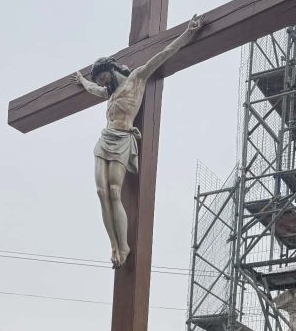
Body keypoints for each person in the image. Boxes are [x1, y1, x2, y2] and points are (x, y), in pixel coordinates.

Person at [75, 15, 202, 268]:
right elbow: (91, 89)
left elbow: (164, 53)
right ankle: (114, 245)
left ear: (110, 70)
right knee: (101, 192)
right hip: (105, 139)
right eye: (99, 81)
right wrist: (82, 81)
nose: (102, 83)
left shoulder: (137, 79)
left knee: (113, 191)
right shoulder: (107, 93)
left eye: (102, 78)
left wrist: (188, 33)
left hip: (123, 138)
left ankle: (124, 246)